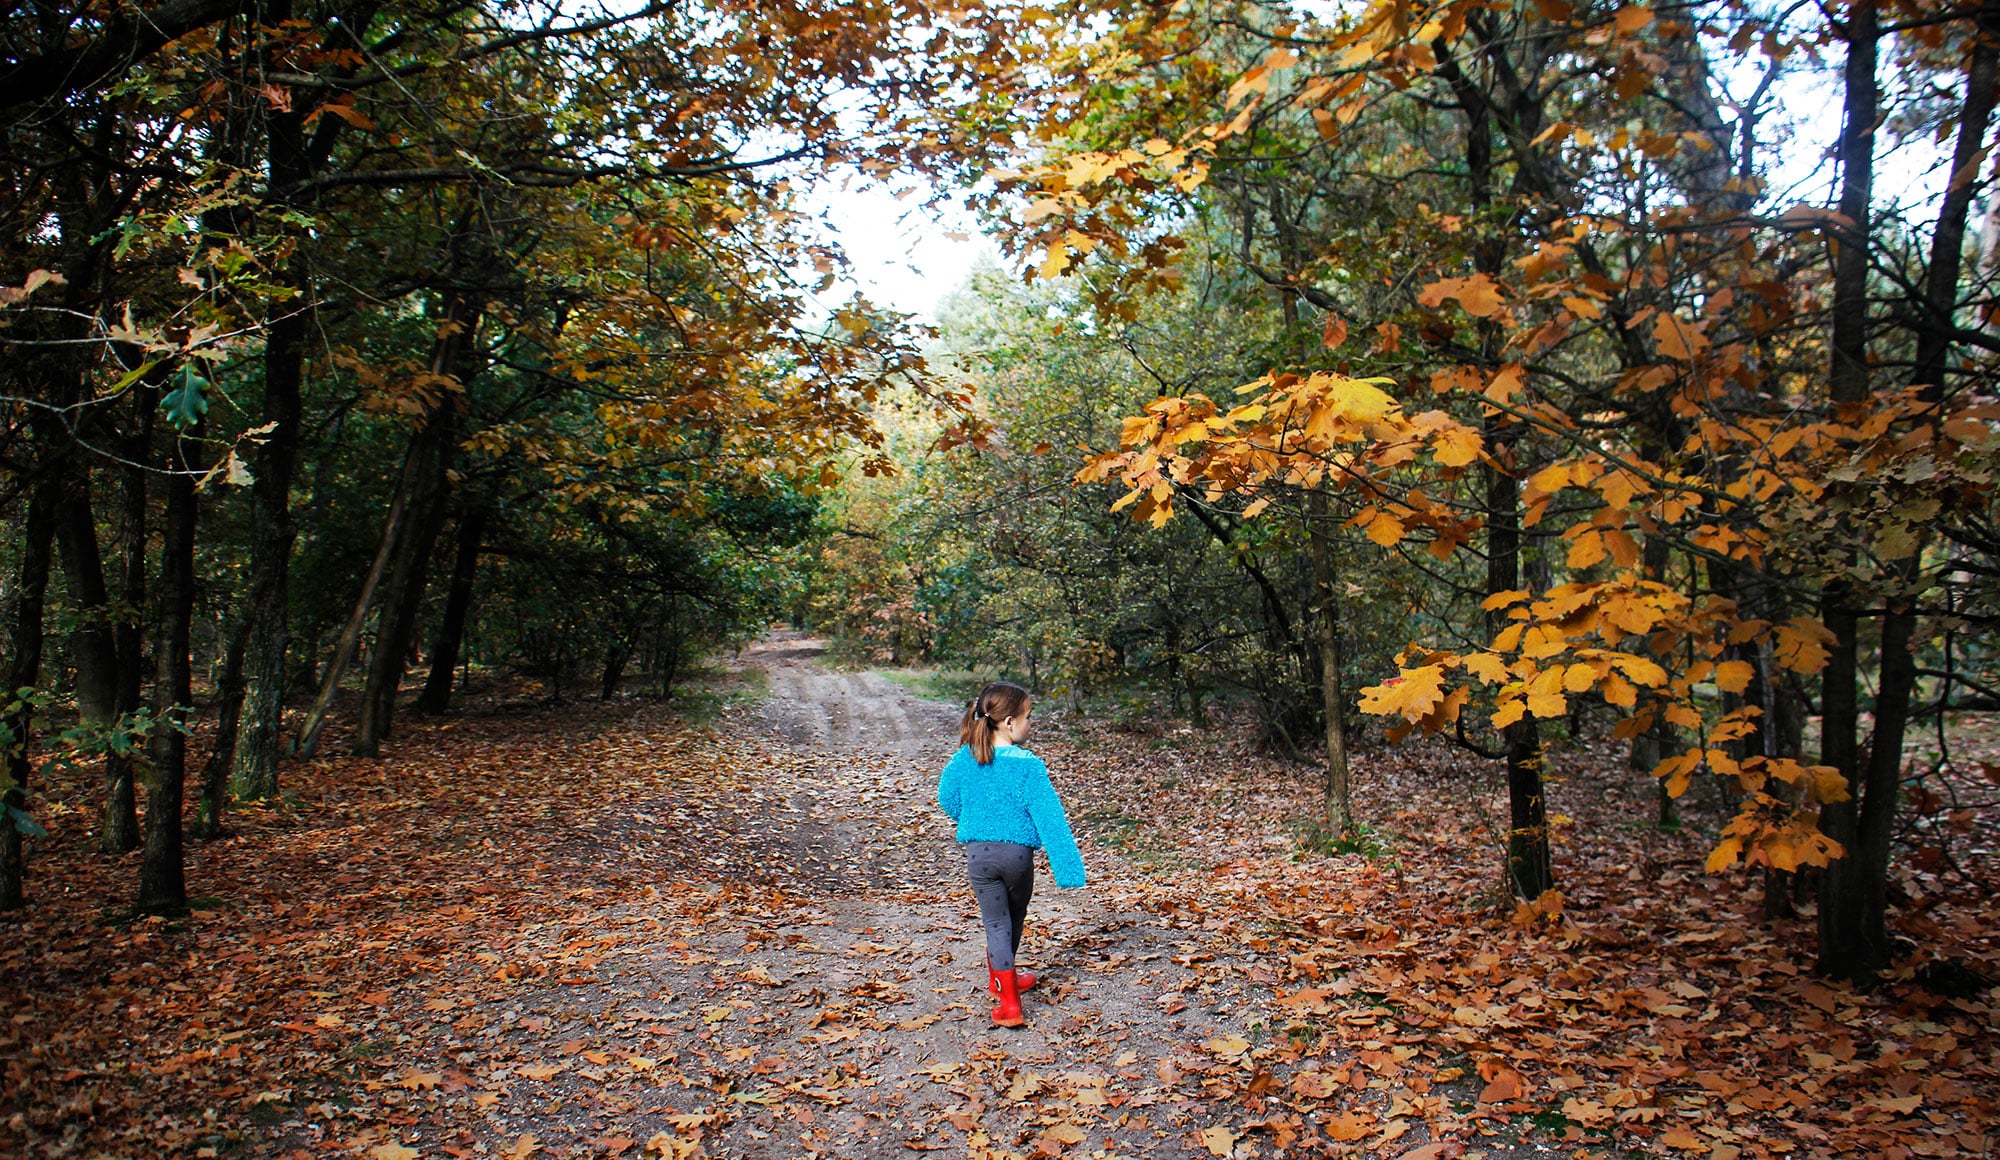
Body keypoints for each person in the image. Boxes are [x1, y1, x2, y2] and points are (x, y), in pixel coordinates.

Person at [936, 681, 1086, 1028]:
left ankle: (1005, 995)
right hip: (1018, 859)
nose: (1030, 723)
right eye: (1028, 717)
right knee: (1013, 920)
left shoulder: (965, 759)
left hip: (980, 858)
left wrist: (973, 820)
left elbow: (947, 798)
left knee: (995, 924)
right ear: (1008, 723)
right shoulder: (1028, 766)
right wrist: (1068, 869)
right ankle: (1008, 991)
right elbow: (1050, 818)